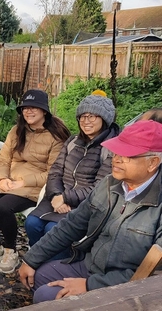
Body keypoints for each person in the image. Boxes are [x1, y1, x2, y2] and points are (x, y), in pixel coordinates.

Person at [18, 120, 162, 303]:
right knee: (37, 275)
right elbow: (72, 224)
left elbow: (150, 275)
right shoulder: (110, 184)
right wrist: (31, 258)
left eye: (127, 155)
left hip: (124, 286)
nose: (116, 158)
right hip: (91, 265)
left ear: (152, 163)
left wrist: (89, 285)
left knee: (45, 295)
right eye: (116, 151)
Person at [0, 89, 70, 274]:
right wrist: (2, 178)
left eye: (34, 108)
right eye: (25, 108)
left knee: (4, 206)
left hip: (34, 186)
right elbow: (3, 159)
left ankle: (10, 250)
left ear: (44, 111)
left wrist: (23, 182)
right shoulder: (16, 130)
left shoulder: (56, 136)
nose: (28, 111)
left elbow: (53, 172)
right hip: (10, 179)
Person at [24, 94, 119, 260]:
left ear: (105, 119)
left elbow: (101, 187)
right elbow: (55, 172)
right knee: (31, 223)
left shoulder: (110, 148)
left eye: (92, 116)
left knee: (53, 229)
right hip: (57, 199)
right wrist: (55, 195)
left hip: (85, 205)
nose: (86, 121)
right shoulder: (73, 141)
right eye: (82, 116)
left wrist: (66, 198)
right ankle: (37, 262)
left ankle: (56, 267)